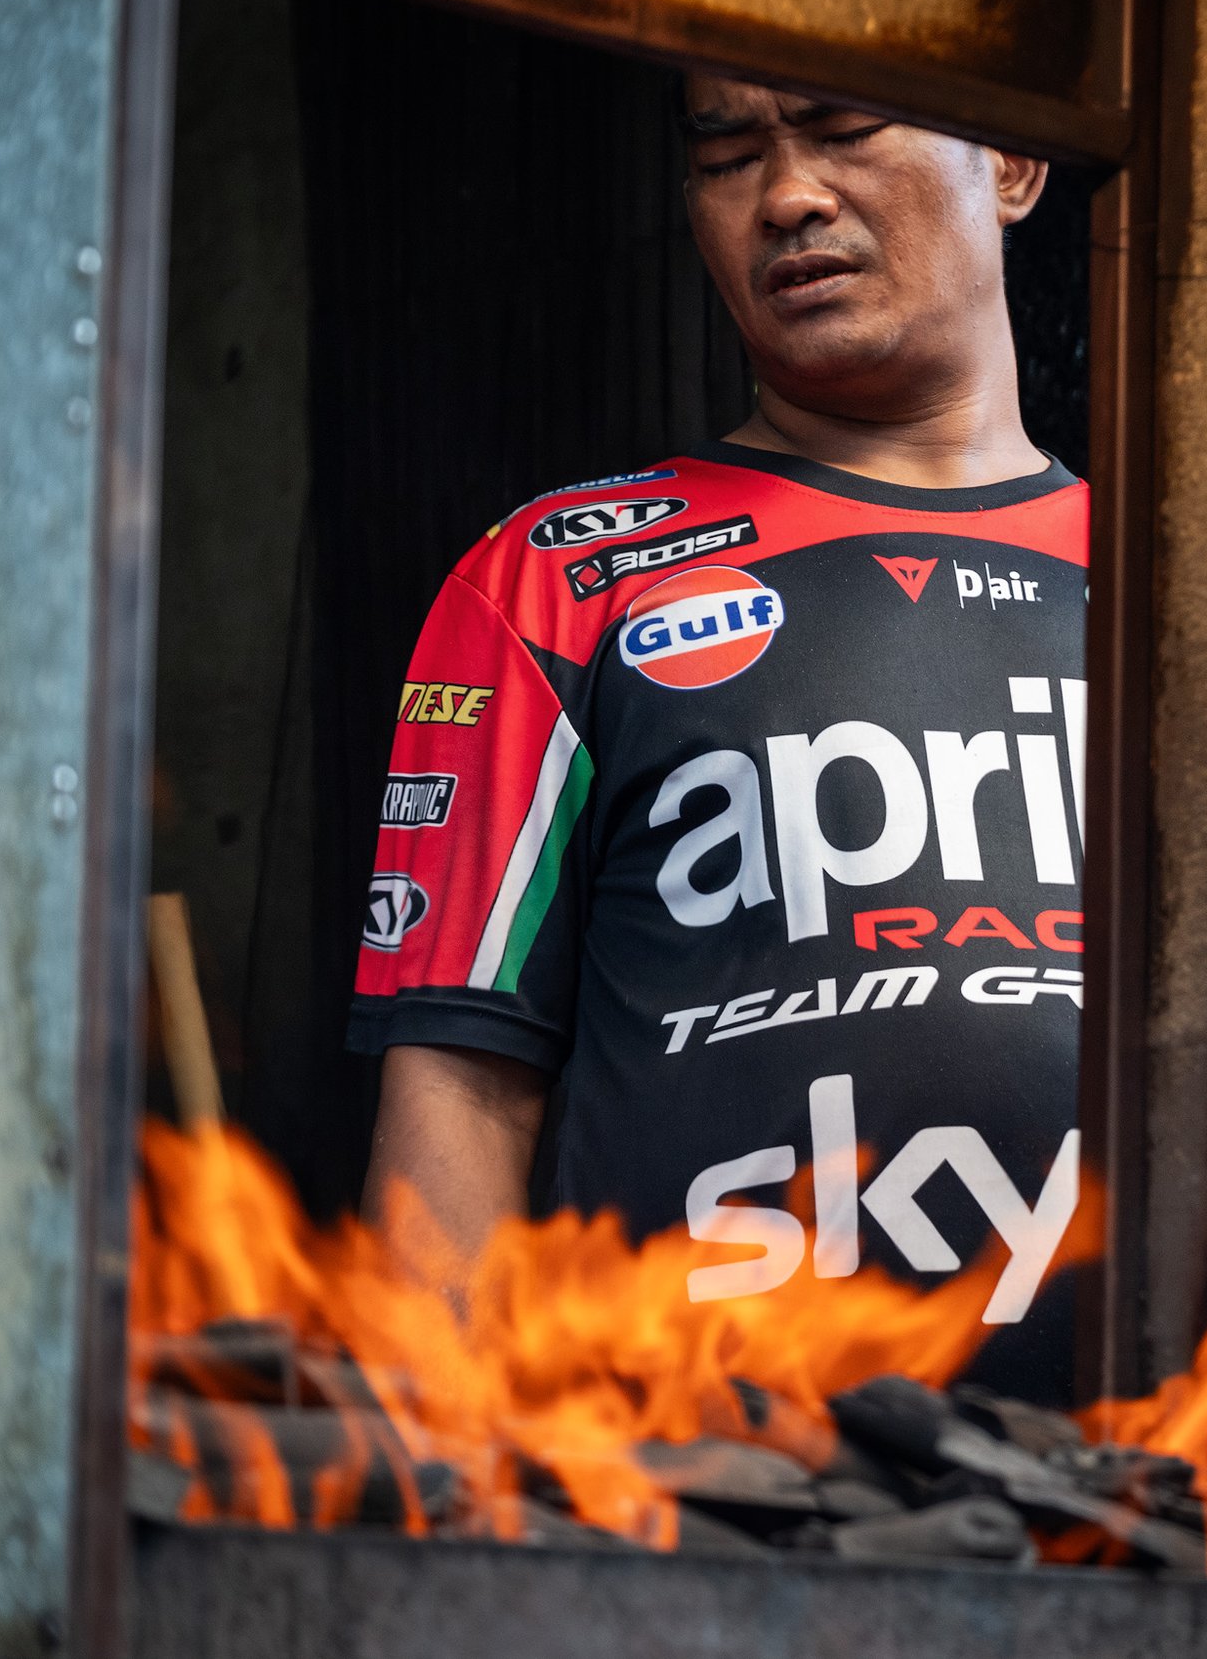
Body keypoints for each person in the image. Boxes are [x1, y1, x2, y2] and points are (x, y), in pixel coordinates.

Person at [348, 74, 1088, 1399]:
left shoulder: (1176, 590)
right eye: (730, 153)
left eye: (847, 129)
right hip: (704, 1489)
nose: (790, 195)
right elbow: (458, 1091)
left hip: (1159, 1483)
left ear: (1017, 162)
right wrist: (433, 1490)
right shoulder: (555, 583)